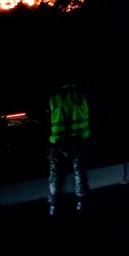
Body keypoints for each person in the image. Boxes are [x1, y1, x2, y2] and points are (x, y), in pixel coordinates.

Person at [47, 79, 92, 216]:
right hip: (78, 140)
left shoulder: (54, 98)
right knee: (79, 171)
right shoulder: (82, 96)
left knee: (55, 173)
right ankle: (80, 201)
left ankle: (53, 204)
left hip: (58, 141)